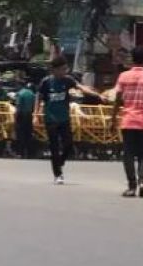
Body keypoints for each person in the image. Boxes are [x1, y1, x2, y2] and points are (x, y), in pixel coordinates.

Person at [35, 56, 102, 184]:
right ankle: (58, 174)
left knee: (68, 144)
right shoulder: (46, 82)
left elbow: (81, 88)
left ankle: (60, 162)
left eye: (65, 69)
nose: (64, 72)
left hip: (64, 118)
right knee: (54, 147)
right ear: (54, 70)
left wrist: (95, 94)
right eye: (62, 69)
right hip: (50, 119)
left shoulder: (68, 80)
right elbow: (39, 97)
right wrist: (36, 114)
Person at [110, 47, 143, 198]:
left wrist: (113, 120)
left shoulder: (123, 76)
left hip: (127, 121)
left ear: (132, 59)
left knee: (128, 154)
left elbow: (117, 100)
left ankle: (132, 186)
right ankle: (142, 182)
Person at [13, 82, 36, 159]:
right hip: (29, 115)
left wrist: (15, 117)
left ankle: (20, 153)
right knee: (28, 134)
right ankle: (29, 153)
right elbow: (34, 106)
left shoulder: (20, 93)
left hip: (21, 116)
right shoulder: (32, 94)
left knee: (20, 135)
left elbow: (18, 106)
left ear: (20, 85)